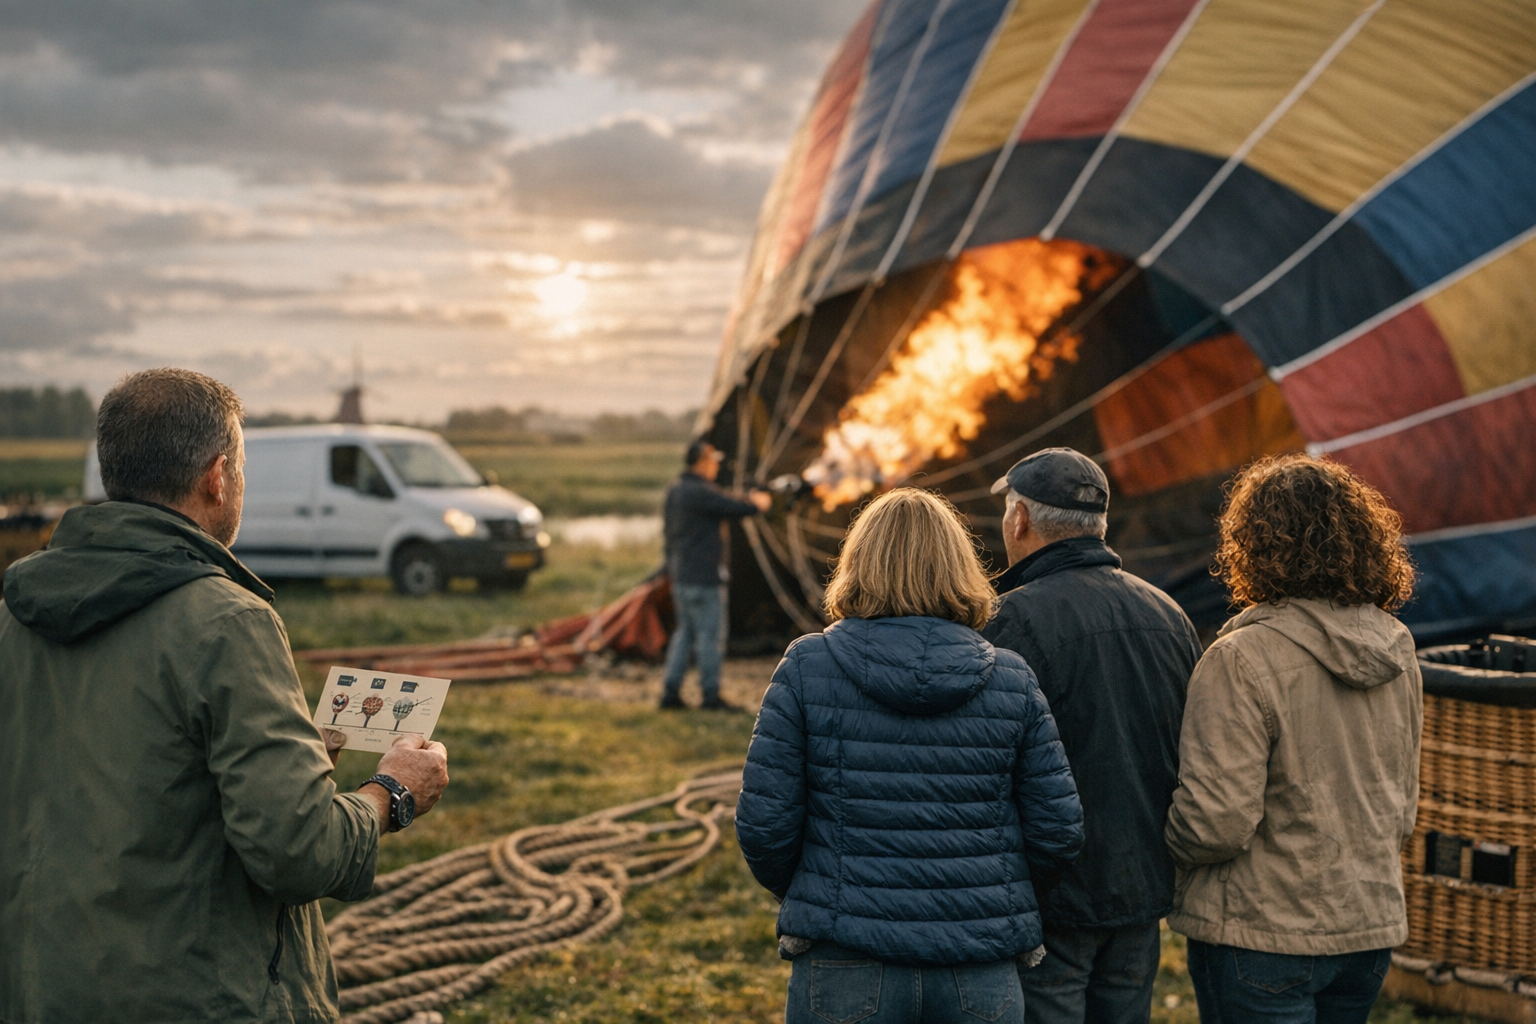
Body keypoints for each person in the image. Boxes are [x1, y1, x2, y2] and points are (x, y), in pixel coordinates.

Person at [0, 368, 451, 1024]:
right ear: (217, 476)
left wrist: (288, 756)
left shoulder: (15, 613)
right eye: (241, 466)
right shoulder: (227, 620)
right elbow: (297, 853)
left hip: (40, 987)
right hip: (195, 995)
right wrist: (394, 794)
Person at [737, 487, 1084, 1024]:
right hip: (980, 963)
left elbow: (764, 825)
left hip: (846, 958)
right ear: (959, 568)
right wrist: (992, 891)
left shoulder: (808, 666)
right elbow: (1057, 828)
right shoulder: (1011, 679)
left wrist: (830, 891)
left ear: (859, 564)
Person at [1165, 454, 1420, 1023]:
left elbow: (1214, 824)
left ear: (1252, 545)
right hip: (1365, 927)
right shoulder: (1396, 647)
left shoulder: (1238, 657)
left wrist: (1161, 849)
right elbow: (1402, 805)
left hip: (1263, 933)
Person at [981, 447, 1201, 1024]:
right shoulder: (1170, 614)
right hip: (1142, 888)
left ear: (1020, 520)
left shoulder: (1011, 620)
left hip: (1052, 898)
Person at [660, 439, 770, 710]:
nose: (716, 467)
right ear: (701, 461)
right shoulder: (700, 492)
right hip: (704, 579)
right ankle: (710, 696)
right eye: (713, 461)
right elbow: (737, 508)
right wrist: (758, 502)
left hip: (682, 577)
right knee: (710, 638)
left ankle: (670, 693)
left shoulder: (677, 490)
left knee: (684, 634)